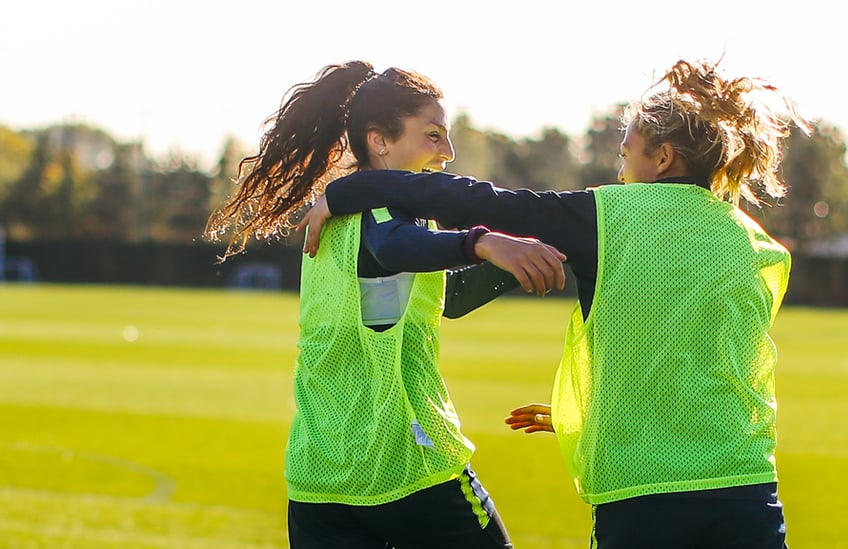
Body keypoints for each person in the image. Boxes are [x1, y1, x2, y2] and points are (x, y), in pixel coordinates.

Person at [296, 58, 811, 548]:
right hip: (748, 487)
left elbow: (469, 201)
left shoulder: (606, 216)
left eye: (625, 154)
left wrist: (345, 193)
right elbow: (698, 366)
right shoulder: (760, 246)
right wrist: (583, 414)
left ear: (663, 157)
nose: (621, 169)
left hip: (639, 494)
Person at [205, 60, 567, 549]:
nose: (447, 152)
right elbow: (392, 247)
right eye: (433, 135)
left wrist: (525, 258)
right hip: (401, 458)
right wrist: (481, 243)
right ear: (380, 140)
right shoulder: (381, 212)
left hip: (320, 471)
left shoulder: (342, 212)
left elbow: (442, 297)